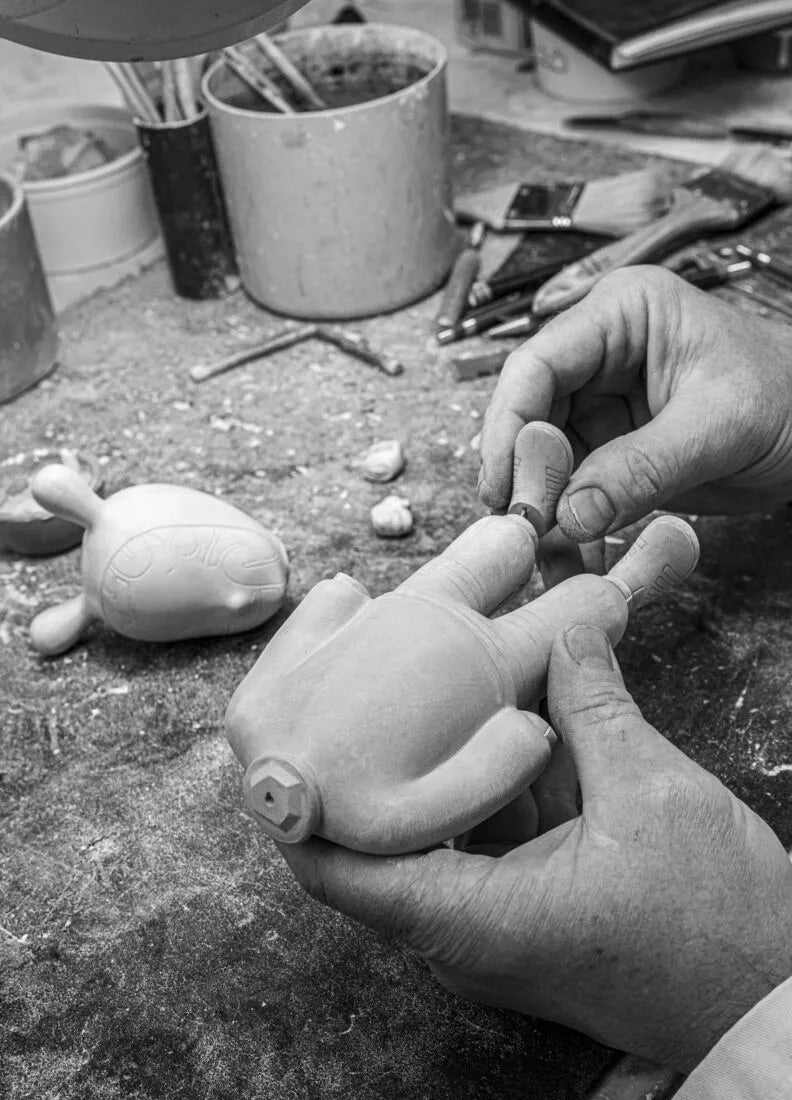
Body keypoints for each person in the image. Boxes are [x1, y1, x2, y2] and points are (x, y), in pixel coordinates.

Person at [278, 267, 792, 1095]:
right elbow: (319, 623)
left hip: (457, 633)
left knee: (563, 602)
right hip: (434, 613)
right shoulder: (284, 730)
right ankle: (544, 522)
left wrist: (751, 998)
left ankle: (598, 562)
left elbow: (326, 618)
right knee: (510, 557)